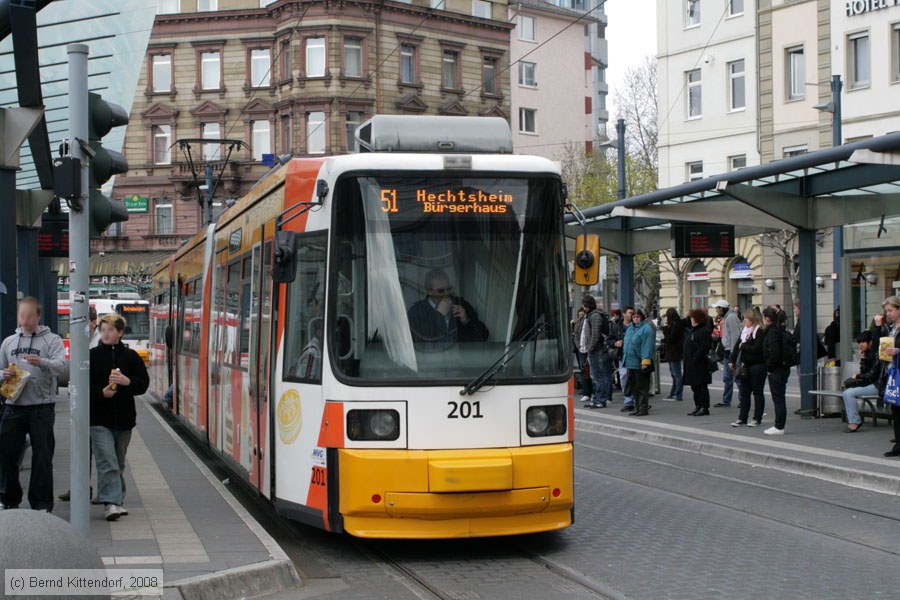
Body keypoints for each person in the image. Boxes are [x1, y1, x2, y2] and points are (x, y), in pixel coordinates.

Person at [0, 297, 67, 511]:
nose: (25, 320)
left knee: (42, 457)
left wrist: (42, 362)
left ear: (38, 316)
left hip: (41, 408)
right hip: (13, 406)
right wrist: (4, 373)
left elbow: (61, 367)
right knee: (7, 454)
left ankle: (41, 504)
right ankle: (8, 498)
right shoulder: (9, 342)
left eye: (29, 316)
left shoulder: (52, 340)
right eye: (22, 315)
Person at [90, 313, 150, 521]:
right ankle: (111, 503)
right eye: (103, 329)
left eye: (110, 330)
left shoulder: (131, 357)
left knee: (118, 461)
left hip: (124, 419)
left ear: (120, 332)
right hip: (98, 419)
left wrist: (126, 382)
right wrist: (101, 393)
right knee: (107, 461)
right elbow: (81, 388)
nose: (105, 334)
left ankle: (117, 498)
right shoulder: (92, 356)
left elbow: (143, 384)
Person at [407, 268, 488, 351]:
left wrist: (466, 321)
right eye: (441, 290)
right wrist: (438, 315)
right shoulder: (417, 311)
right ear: (429, 291)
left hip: (461, 360)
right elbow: (419, 341)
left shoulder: (460, 304)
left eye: (448, 289)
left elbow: (483, 336)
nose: (446, 293)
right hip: (431, 360)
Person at [841, 330, 884, 434]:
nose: (860, 345)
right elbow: (865, 372)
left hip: (877, 385)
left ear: (870, 342)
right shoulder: (868, 354)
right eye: (859, 342)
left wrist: (859, 375)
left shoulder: (877, 355)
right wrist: (863, 358)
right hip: (870, 384)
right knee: (846, 392)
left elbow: (872, 374)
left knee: (849, 393)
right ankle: (853, 420)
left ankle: (855, 422)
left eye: (863, 342)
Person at [730, 308, 767, 427]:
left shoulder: (759, 331)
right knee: (744, 393)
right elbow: (737, 346)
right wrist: (732, 359)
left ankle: (757, 418)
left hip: (757, 366)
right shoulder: (745, 331)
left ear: (752, 319)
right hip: (745, 366)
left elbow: (758, 349)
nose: (744, 320)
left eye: (746, 318)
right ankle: (742, 417)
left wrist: (744, 346)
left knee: (757, 392)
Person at [762, 306, 790, 436]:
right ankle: (779, 425)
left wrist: (770, 368)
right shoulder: (779, 329)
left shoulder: (772, 332)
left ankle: (779, 426)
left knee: (778, 398)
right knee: (779, 397)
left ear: (767, 319)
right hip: (782, 368)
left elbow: (774, 352)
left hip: (777, 369)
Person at [581, 295, 612, 409]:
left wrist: (589, 349)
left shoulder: (594, 316)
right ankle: (597, 399)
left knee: (598, 376)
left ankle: (600, 400)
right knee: (596, 375)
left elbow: (595, 335)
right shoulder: (593, 315)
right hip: (596, 349)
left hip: (596, 350)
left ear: (587, 305)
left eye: (583, 305)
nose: (583, 308)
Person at [622, 308, 655, 417]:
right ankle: (637, 408)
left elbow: (647, 346)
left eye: (638, 317)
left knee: (642, 387)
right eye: (634, 317)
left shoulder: (646, 329)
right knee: (634, 387)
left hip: (640, 362)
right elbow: (627, 344)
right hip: (630, 362)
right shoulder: (630, 328)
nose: (635, 318)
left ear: (642, 317)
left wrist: (645, 361)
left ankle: (643, 409)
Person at [711, 300, 741, 408]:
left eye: (717, 308)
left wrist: (734, 353)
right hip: (728, 350)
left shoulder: (731, 318)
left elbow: (735, 336)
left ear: (722, 308)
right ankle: (726, 400)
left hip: (731, 351)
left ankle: (742, 400)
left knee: (736, 377)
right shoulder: (727, 318)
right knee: (727, 378)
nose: (716, 310)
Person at [880, 296, 900, 458]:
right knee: (896, 408)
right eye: (887, 311)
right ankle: (898, 444)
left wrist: (899, 351)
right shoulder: (892, 327)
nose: (888, 314)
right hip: (893, 372)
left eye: (891, 310)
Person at [683, 309, 712, 416]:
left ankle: (704, 407)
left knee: (701, 387)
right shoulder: (694, 330)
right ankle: (698, 405)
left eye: (692, 318)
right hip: (692, 364)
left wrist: (695, 357)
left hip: (700, 364)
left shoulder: (704, 331)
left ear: (698, 319)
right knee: (694, 386)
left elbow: (704, 347)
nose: (691, 320)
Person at [610, 306, 635, 412]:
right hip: (622, 356)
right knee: (623, 376)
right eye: (630, 313)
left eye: (633, 313)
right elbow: (609, 339)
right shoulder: (617, 327)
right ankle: (628, 399)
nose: (632, 315)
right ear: (624, 314)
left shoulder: (636, 326)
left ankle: (633, 400)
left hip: (634, 356)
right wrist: (616, 343)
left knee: (634, 378)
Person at [661, 308, 685, 402]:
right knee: (674, 374)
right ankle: (674, 392)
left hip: (674, 352)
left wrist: (665, 328)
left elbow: (670, 338)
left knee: (677, 374)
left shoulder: (676, 325)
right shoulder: (677, 324)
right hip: (674, 352)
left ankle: (677, 394)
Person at [571, 308, 592, 403]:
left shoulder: (590, 319)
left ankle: (593, 392)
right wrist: (579, 346)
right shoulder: (578, 323)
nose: (581, 315)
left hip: (589, 349)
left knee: (592, 372)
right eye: (579, 314)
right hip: (581, 350)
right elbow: (575, 335)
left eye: (582, 314)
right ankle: (586, 393)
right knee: (584, 371)